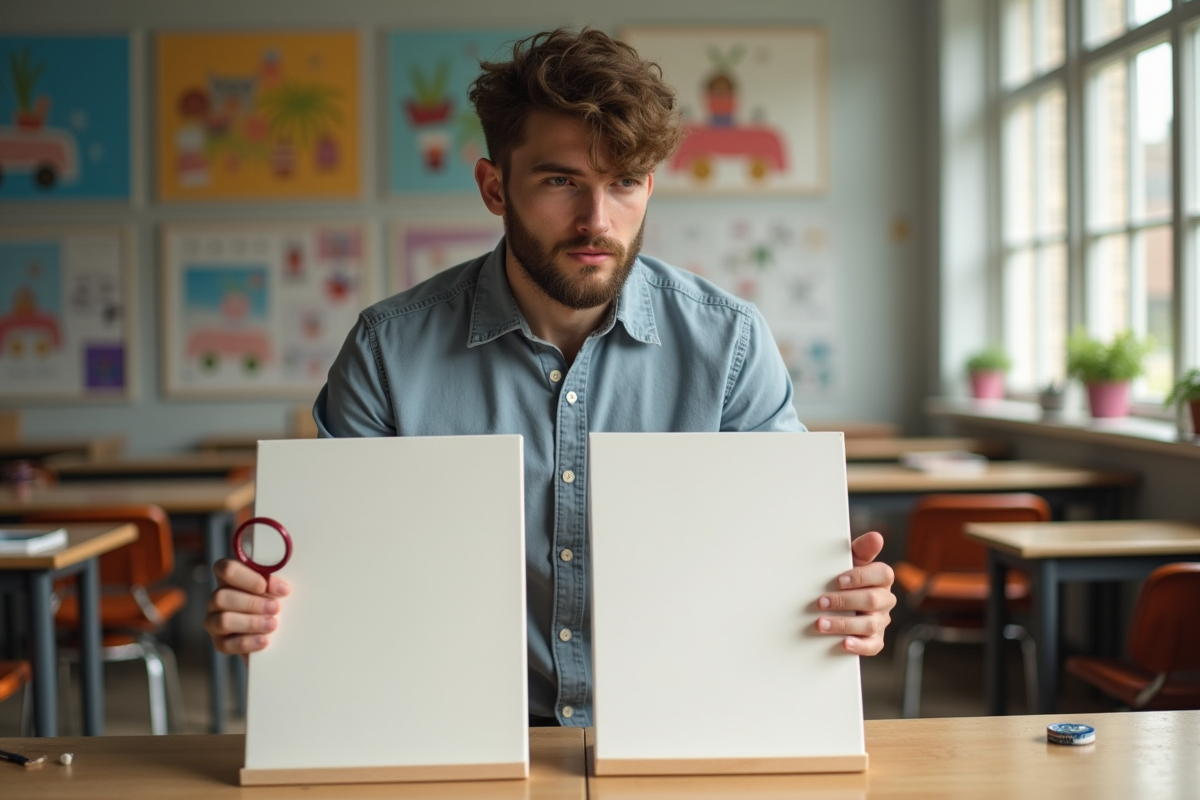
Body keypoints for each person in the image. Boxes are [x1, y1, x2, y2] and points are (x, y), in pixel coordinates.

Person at [205, 28, 896, 728]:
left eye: (623, 182)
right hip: (451, 732)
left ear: (649, 187)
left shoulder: (732, 343)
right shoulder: (387, 350)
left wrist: (845, 604)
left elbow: (779, 566)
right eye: (561, 181)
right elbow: (332, 576)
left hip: (684, 728)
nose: (598, 220)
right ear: (494, 187)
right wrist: (264, 607)